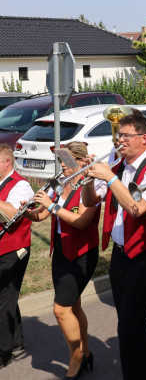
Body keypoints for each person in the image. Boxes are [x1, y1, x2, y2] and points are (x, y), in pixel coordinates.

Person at [84, 113, 146, 380]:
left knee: (130, 324)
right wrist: (88, 178)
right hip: (121, 251)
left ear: (144, 138)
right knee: (129, 320)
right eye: (118, 135)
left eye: (126, 136)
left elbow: (137, 209)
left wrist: (110, 178)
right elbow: (90, 201)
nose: (119, 140)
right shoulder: (118, 166)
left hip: (145, 252)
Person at [27, 142, 100, 379]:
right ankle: (86, 351)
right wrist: (28, 212)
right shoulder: (60, 183)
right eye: (60, 161)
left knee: (61, 309)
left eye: (65, 161)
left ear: (80, 161)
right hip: (60, 251)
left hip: (82, 254)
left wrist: (53, 205)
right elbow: (42, 214)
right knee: (73, 306)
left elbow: (82, 222)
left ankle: (76, 357)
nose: (62, 166)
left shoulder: (91, 185)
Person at [0, 144, 33, 370]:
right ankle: (16, 340)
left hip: (14, 249)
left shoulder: (21, 185)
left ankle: (4, 353)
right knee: (7, 295)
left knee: (3, 299)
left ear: (7, 162)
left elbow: (11, 214)